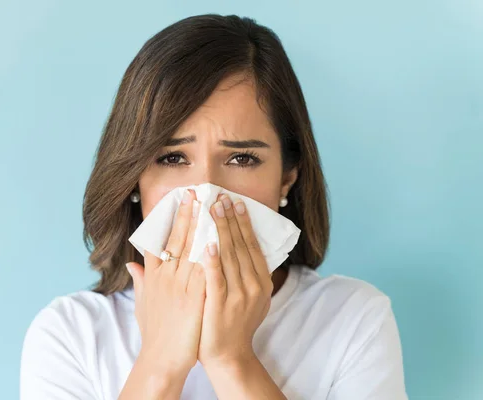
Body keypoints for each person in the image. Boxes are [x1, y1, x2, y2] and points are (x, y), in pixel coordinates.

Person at [20, 14, 408, 400]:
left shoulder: (354, 321)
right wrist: (161, 362)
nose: (206, 192)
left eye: (241, 159)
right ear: (134, 178)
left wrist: (231, 358)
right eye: (172, 158)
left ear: (287, 177)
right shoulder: (71, 335)